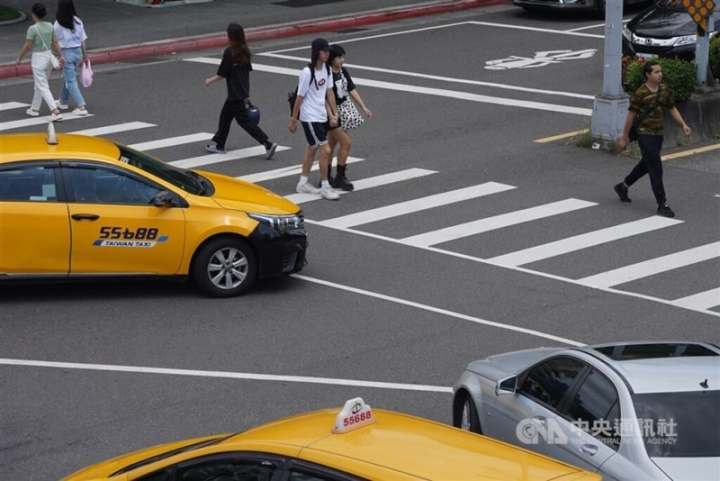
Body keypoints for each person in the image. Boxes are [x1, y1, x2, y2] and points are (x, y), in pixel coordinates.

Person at [615, 61, 691, 218]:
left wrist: (683, 124)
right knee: (655, 167)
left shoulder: (664, 90)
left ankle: (623, 186)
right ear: (648, 74)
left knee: (646, 164)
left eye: (660, 71)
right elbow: (631, 116)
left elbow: (671, 108)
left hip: (658, 134)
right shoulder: (640, 93)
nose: (660, 74)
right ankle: (662, 203)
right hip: (644, 133)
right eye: (656, 72)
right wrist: (624, 138)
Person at [204, 23, 278, 159]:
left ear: (230, 37)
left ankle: (267, 143)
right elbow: (246, 73)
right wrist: (246, 95)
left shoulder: (229, 52)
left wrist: (210, 80)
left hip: (234, 95)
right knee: (225, 118)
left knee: (244, 122)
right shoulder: (245, 51)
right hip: (241, 92)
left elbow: (222, 73)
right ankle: (219, 145)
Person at [288, 38, 340, 201]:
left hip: (320, 115)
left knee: (312, 148)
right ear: (317, 52)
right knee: (325, 150)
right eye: (325, 51)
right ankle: (325, 186)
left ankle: (302, 183)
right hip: (309, 117)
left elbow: (329, 92)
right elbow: (299, 97)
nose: (328, 53)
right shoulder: (307, 72)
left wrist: (334, 113)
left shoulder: (327, 69)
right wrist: (293, 119)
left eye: (328, 51)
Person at [324, 44, 372, 191]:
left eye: (343, 57)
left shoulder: (342, 71)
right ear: (331, 59)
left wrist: (363, 106)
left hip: (343, 111)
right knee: (346, 143)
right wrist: (332, 114)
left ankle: (325, 177)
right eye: (339, 58)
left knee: (331, 145)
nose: (342, 60)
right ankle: (339, 177)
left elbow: (351, 89)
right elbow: (324, 97)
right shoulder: (326, 74)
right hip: (331, 113)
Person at [15, 3, 65, 121]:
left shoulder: (32, 29)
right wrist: (60, 56)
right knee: (40, 83)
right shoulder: (50, 26)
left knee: (42, 85)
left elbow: (27, 46)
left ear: (34, 15)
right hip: (49, 57)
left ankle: (55, 111)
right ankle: (34, 108)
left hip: (38, 59)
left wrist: (19, 58)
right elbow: (55, 42)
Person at [53, 0, 89, 116]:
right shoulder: (78, 21)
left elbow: (55, 42)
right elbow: (82, 40)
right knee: (69, 77)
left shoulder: (58, 24)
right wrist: (85, 55)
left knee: (71, 80)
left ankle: (81, 106)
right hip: (77, 51)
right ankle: (63, 100)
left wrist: (59, 56)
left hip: (66, 53)